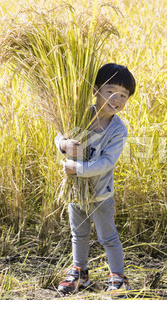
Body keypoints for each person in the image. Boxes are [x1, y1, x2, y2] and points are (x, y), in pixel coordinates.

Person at [54, 63, 136, 294]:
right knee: (78, 233)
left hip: (101, 193)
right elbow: (60, 134)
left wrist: (78, 169)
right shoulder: (80, 113)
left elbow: (106, 163)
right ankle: (80, 272)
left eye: (123, 95)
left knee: (107, 236)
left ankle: (118, 277)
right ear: (96, 90)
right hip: (75, 190)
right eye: (110, 92)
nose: (116, 99)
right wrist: (63, 144)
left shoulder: (117, 130)